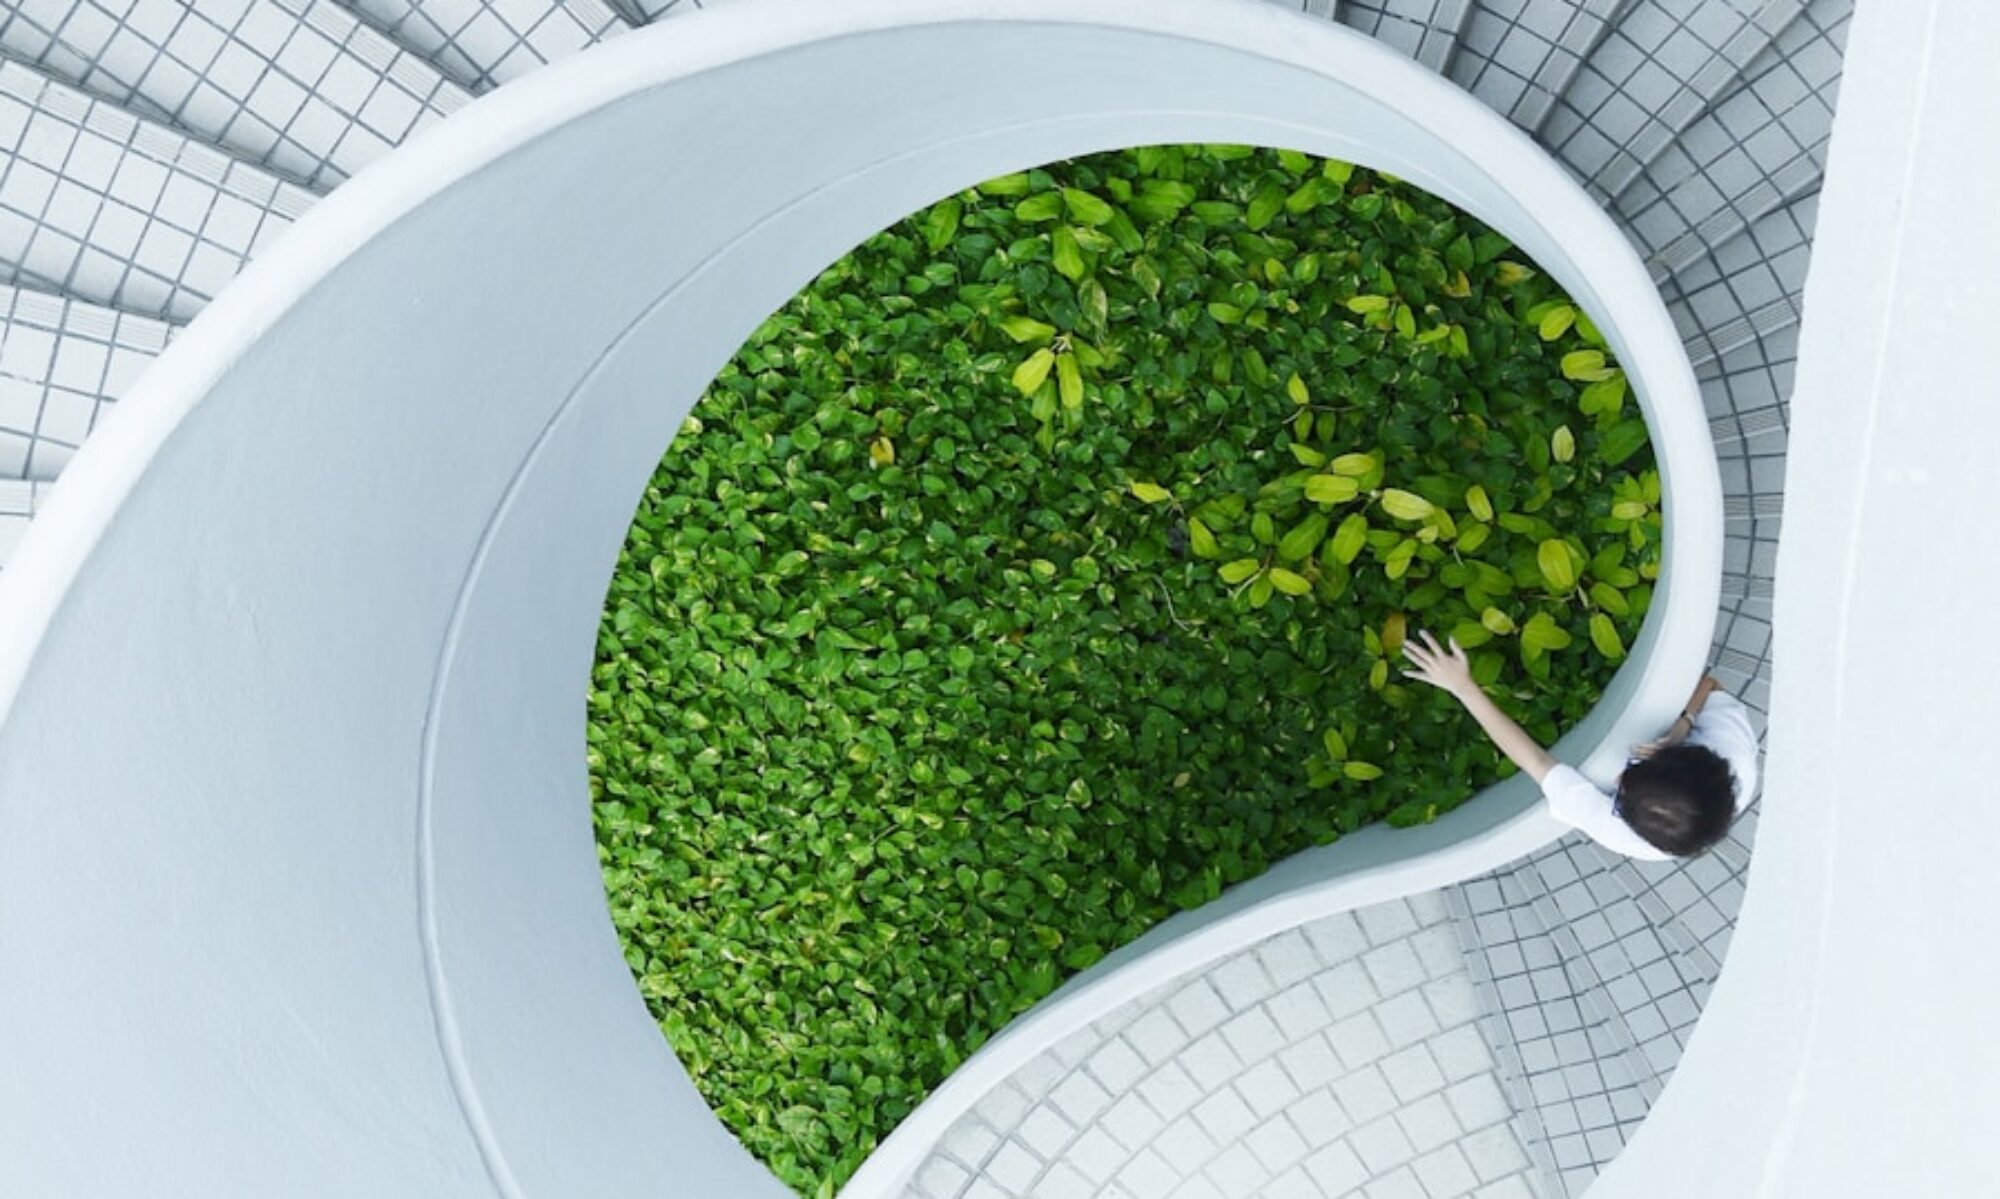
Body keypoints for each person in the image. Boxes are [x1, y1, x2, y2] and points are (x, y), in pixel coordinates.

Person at [1399, 630, 1758, 860]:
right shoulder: (1733, 754)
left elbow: (1535, 761)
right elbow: (1710, 684)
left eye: (1621, 796)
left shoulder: (1616, 831)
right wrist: (1684, 725)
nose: (1618, 782)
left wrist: (1463, 687)